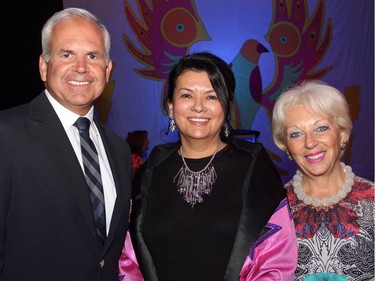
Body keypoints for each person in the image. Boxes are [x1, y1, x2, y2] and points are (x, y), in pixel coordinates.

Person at [119, 52, 297, 280]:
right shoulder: (151, 170)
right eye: (186, 95)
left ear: (226, 106)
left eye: (211, 97)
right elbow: (129, 258)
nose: (198, 107)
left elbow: (276, 260)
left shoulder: (255, 168)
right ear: (171, 107)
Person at [0, 8, 132, 281]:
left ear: (107, 70)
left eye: (92, 56)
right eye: (67, 54)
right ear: (43, 66)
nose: (81, 67)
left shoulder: (118, 150)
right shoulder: (6, 135)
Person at [271, 80, 374, 281]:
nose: (310, 142)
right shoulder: (274, 209)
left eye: (321, 128)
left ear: (343, 133)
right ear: (286, 147)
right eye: (296, 134)